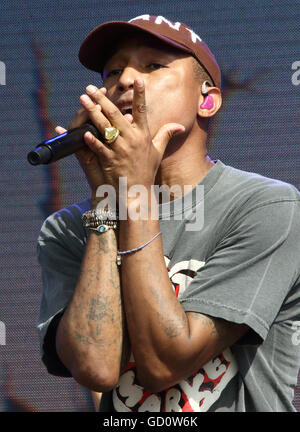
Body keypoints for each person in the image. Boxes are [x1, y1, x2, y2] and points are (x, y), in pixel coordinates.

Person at [36, 14, 300, 412]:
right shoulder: (67, 228)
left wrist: (135, 194)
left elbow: (166, 362)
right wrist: (108, 204)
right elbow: (96, 366)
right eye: (112, 71)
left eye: (153, 66)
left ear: (206, 100)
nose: (125, 80)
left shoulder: (266, 207)